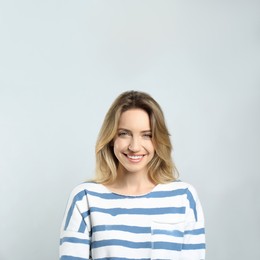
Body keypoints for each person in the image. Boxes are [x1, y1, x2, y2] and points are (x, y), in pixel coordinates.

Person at [59, 90, 206, 260]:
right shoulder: (85, 198)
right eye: (124, 134)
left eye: (147, 135)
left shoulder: (184, 197)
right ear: (111, 138)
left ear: (159, 140)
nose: (134, 146)